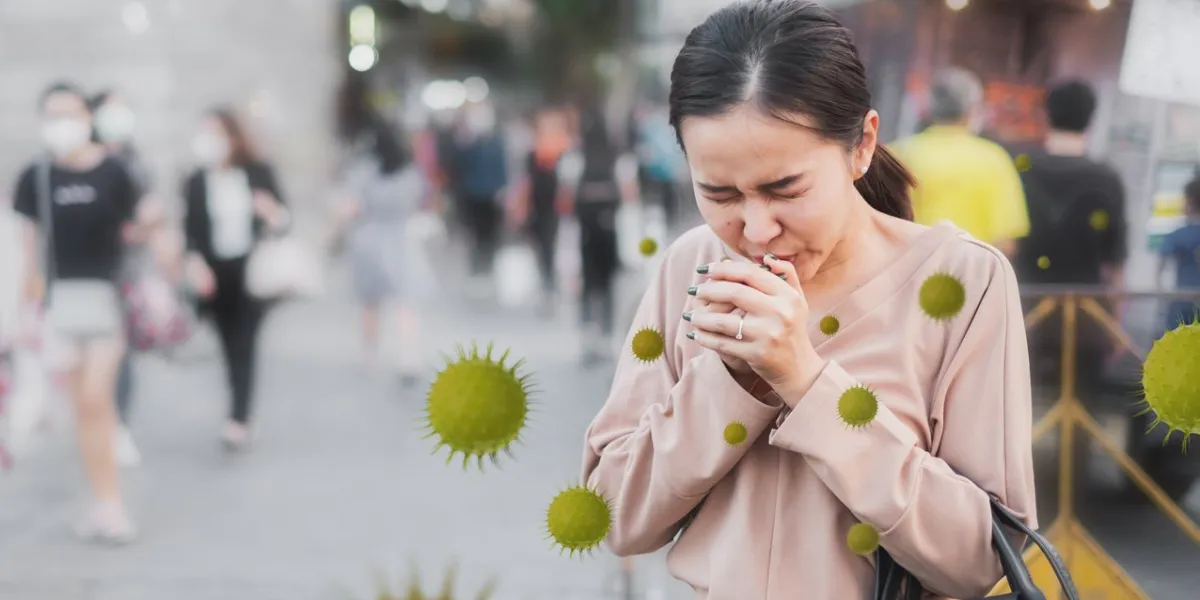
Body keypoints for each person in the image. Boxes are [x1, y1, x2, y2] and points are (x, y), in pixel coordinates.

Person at [579, 2, 1036, 598]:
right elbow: (612, 515)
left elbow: (980, 558)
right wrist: (730, 381)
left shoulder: (965, 283)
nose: (756, 229)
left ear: (861, 145)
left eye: (786, 189)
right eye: (719, 194)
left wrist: (806, 381)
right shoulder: (690, 268)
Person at [13, 81, 142, 543]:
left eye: (67, 113)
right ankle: (103, 502)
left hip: (108, 301)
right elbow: (29, 247)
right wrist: (25, 308)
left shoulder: (115, 172)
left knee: (94, 397)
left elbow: (138, 228)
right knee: (84, 410)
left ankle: (112, 505)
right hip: (61, 304)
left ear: (87, 117)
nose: (60, 124)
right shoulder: (37, 176)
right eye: (51, 115)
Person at [182, 107, 290, 452]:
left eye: (216, 133)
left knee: (245, 342)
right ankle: (237, 406)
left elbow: (284, 220)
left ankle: (239, 416)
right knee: (227, 343)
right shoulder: (196, 180)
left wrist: (270, 212)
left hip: (250, 270)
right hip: (214, 274)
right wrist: (194, 262)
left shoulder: (257, 172)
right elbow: (190, 230)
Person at [1013, 80, 1128, 395]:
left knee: (1018, 402)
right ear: (1091, 119)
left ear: (1046, 114)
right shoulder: (1107, 179)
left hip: (1023, 309)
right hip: (1085, 317)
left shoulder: (1020, 169)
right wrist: (1114, 325)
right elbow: (1115, 262)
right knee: (1078, 404)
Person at [89, 88, 160, 468]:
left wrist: (145, 226)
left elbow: (149, 215)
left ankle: (117, 425)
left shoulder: (135, 164)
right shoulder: (80, 162)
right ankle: (96, 422)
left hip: (125, 273)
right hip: (84, 273)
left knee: (120, 353)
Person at [893, 67, 1030, 257]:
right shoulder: (994, 160)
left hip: (907, 270)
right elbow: (1005, 240)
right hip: (970, 271)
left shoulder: (897, 155)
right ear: (972, 109)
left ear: (928, 108)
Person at [335, 117, 430, 384]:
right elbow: (419, 199)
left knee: (370, 303)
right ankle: (409, 356)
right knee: (406, 301)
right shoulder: (409, 169)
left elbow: (351, 207)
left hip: (370, 239)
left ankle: (371, 355)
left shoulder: (365, 169)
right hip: (401, 238)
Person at [558, 109, 639, 365]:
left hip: (583, 230)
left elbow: (565, 197)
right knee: (608, 283)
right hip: (611, 229)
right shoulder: (619, 159)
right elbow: (630, 195)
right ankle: (606, 334)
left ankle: (588, 334)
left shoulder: (574, 158)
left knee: (587, 283)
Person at [510, 107, 572, 315]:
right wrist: (521, 207)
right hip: (539, 209)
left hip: (555, 209)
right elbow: (526, 183)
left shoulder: (563, 152)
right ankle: (547, 286)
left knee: (551, 249)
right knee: (544, 249)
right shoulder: (536, 153)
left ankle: (551, 286)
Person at [1157, 174, 1200, 332]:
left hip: (1182, 300)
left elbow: (1160, 269)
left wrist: (1162, 291)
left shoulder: (1177, 236)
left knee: (1175, 341)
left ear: (1189, 202)